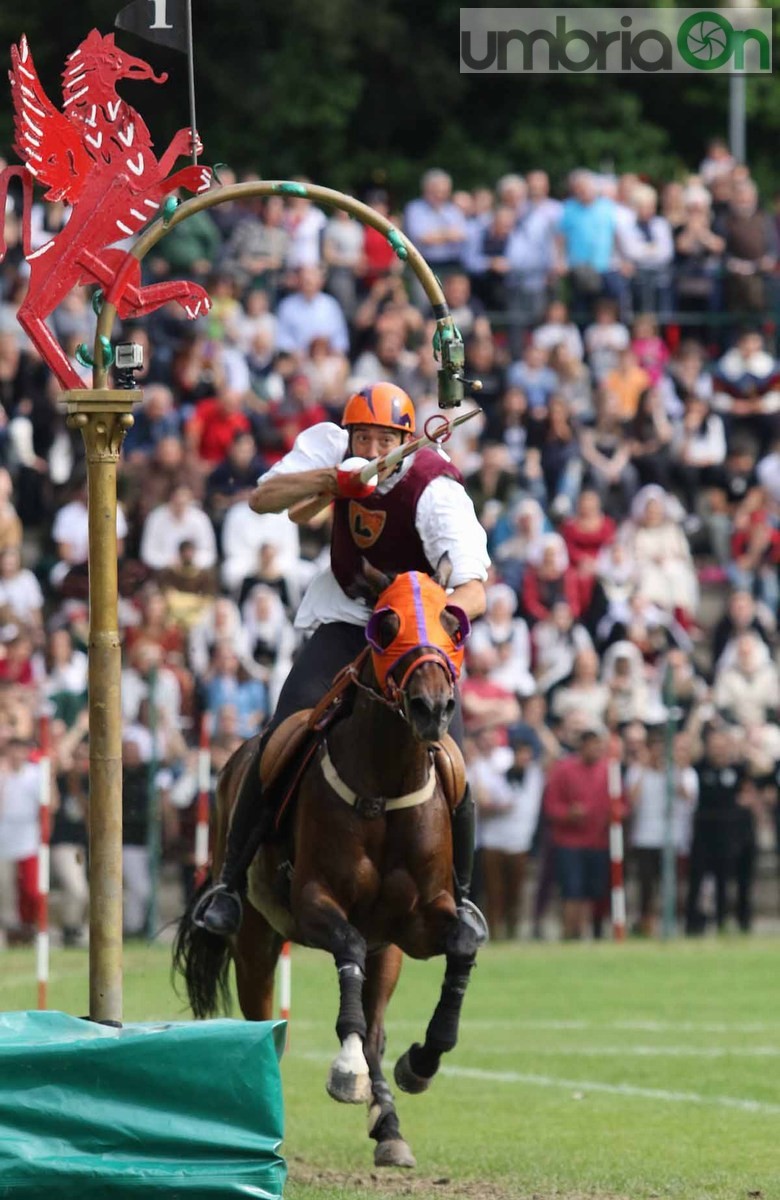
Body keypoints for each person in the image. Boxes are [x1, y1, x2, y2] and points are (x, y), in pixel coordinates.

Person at [195, 382, 490, 938]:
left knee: (451, 756)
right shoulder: (332, 447)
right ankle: (230, 884)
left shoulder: (434, 488)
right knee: (285, 730)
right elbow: (265, 499)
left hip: (413, 638)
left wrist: (425, 621)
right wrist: (333, 481)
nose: (374, 447)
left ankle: (464, 897)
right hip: (345, 617)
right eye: (364, 436)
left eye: (385, 438)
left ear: (405, 439)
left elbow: (474, 586)